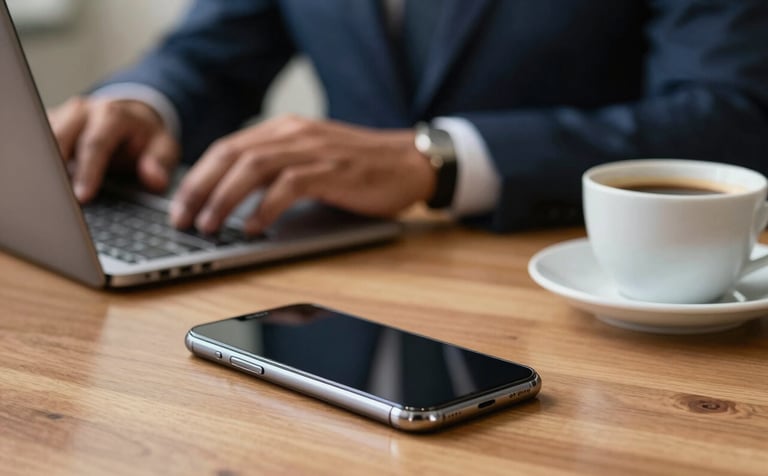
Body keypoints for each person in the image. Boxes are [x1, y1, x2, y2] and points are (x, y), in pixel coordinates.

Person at [48, 0, 768, 235]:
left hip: (574, 291)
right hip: (323, 292)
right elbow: (210, 54)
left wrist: (441, 158)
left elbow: (731, 112)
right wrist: (140, 105)